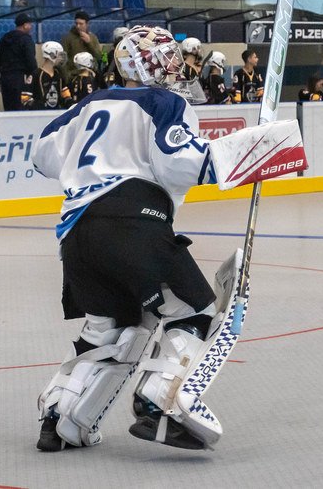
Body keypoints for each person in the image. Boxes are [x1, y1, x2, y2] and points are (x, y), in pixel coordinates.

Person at [32, 26, 223, 453]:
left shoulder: (89, 102)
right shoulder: (165, 102)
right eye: (165, 57)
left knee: (107, 326)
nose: (172, 65)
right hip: (134, 217)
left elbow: (42, 152)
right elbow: (178, 163)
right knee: (194, 309)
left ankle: (60, 416)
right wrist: (235, 157)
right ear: (144, 62)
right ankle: (159, 401)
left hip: (76, 231)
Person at [0, 13, 37, 111]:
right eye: (29, 24)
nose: (31, 27)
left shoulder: (4, 39)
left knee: (9, 110)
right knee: (21, 110)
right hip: (21, 79)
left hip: (5, 80)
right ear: (25, 25)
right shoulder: (26, 40)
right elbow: (31, 62)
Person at [28, 41, 72, 110]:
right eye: (59, 55)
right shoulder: (36, 75)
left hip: (56, 114)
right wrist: (37, 106)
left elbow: (65, 94)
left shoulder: (58, 74)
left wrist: (70, 103)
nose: (61, 58)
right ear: (52, 55)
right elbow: (25, 98)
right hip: (39, 116)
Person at [61, 12, 103, 78]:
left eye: (81, 24)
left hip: (90, 74)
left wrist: (89, 43)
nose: (78, 26)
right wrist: (67, 77)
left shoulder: (92, 37)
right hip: (74, 75)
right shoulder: (67, 38)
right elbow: (63, 60)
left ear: (87, 24)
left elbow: (99, 56)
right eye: (76, 23)